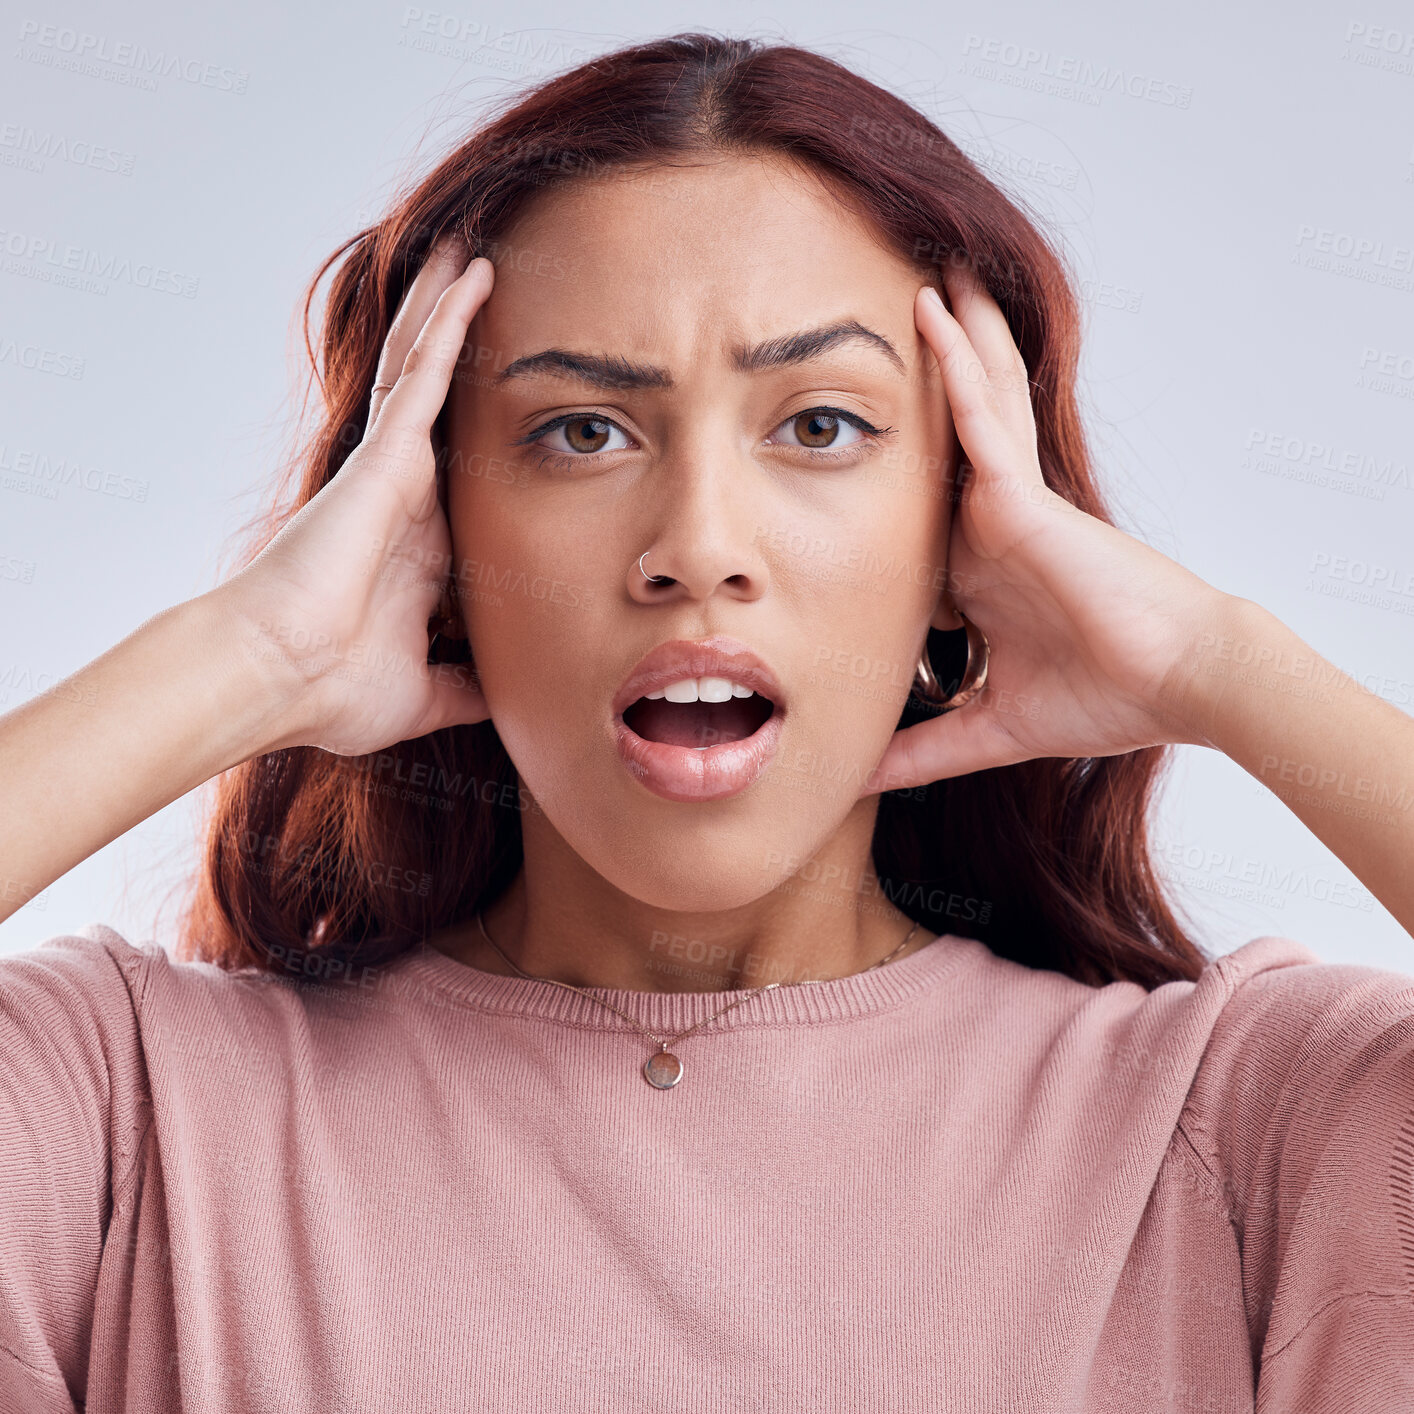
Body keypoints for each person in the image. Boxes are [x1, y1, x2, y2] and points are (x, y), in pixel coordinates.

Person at [2, 30, 1412, 1413]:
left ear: (963, 529)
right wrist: (246, 655)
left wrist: (1220, 662)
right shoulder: (126, 1120)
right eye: (581, 430)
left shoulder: (1239, 1130)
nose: (696, 546)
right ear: (431, 529)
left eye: (820, 425)